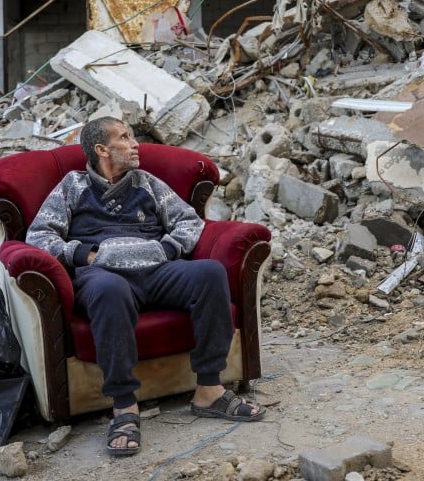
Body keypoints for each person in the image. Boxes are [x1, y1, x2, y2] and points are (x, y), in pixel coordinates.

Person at [25, 116, 264, 457]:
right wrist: (83, 255)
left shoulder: (147, 182)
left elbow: (187, 221)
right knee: (109, 291)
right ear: (101, 149)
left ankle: (209, 390)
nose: (135, 144)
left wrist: (167, 249)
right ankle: (124, 407)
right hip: (104, 275)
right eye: (124, 137)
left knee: (210, 273)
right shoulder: (73, 186)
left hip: (158, 270)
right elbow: (39, 236)